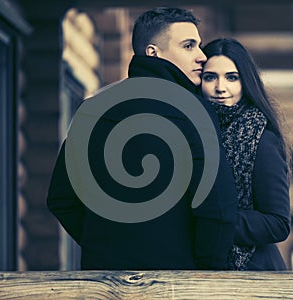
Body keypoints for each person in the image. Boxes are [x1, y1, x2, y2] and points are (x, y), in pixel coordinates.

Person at [47, 7, 238, 270]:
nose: (202, 57)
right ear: (153, 52)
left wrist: (103, 247)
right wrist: (204, 271)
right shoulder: (193, 111)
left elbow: (61, 199)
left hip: (103, 283)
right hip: (175, 283)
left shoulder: (91, 109)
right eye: (188, 46)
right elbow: (218, 209)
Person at [200, 38, 291, 270]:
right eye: (210, 77)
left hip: (254, 274)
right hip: (203, 273)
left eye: (232, 77)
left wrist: (213, 222)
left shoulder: (261, 137)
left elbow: (278, 222)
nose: (221, 87)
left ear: (246, 82)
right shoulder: (196, 132)